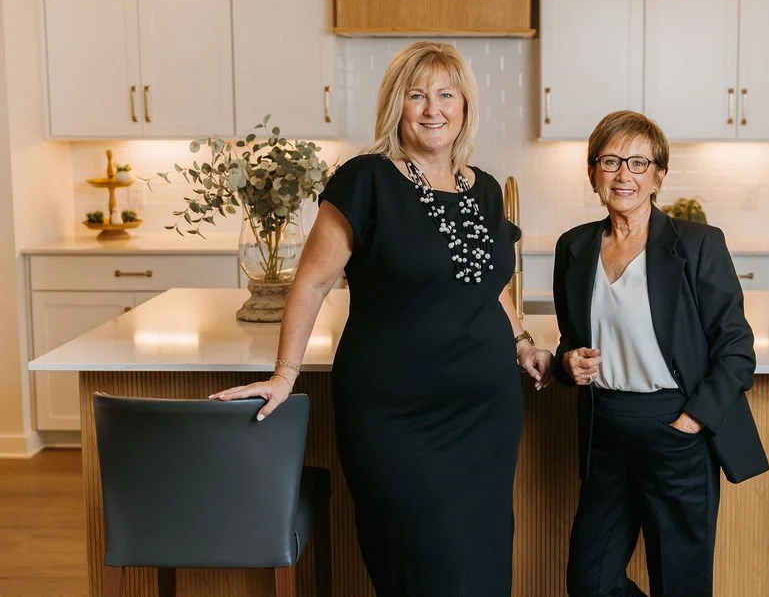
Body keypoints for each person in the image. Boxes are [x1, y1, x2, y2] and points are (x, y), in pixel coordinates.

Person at [211, 41, 553, 596]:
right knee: (417, 562)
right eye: (417, 95)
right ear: (397, 105)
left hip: (485, 412)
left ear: (465, 106)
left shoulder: (485, 189)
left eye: (446, 95)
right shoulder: (365, 179)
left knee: (481, 560)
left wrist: (521, 343)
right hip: (396, 413)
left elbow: (488, 285)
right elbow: (312, 282)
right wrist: (284, 374)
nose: (432, 109)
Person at [551, 111, 769, 597]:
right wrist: (568, 363)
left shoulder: (697, 244)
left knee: (680, 584)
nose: (623, 174)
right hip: (606, 429)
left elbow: (736, 348)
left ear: (659, 176)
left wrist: (692, 421)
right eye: (610, 161)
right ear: (592, 173)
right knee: (590, 581)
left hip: (675, 427)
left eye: (638, 163)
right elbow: (571, 339)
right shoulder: (574, 247)